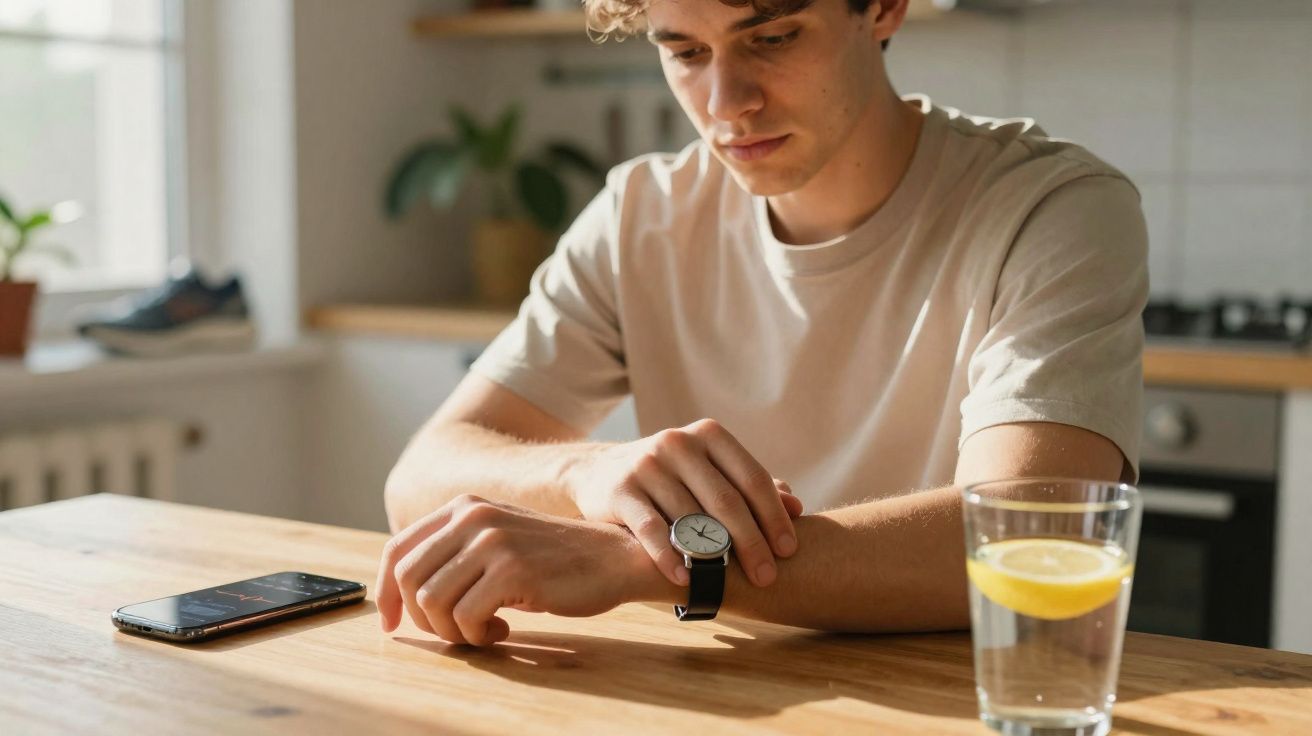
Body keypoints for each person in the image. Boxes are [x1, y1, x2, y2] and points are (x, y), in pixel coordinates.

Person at [376, 0, 1148, 647]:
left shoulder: (1053, 209)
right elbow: (421, 476)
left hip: (960, 700)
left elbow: (1036, 532)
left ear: (882, 7)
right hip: (726, 692)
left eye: (772, 37)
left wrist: (653, 560)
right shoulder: (640, 216)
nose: (725, 103)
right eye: (683, 51)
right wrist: (582, 473)